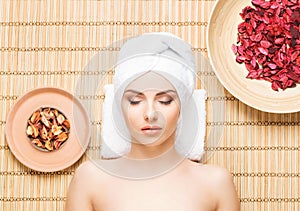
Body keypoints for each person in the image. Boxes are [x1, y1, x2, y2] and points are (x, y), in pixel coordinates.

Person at [65, 33, 240, 211]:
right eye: (135, 100)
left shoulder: (216, 183)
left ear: (182, 106)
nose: (150, 113)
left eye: (165, 101)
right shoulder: (90, 179)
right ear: (120, 106)